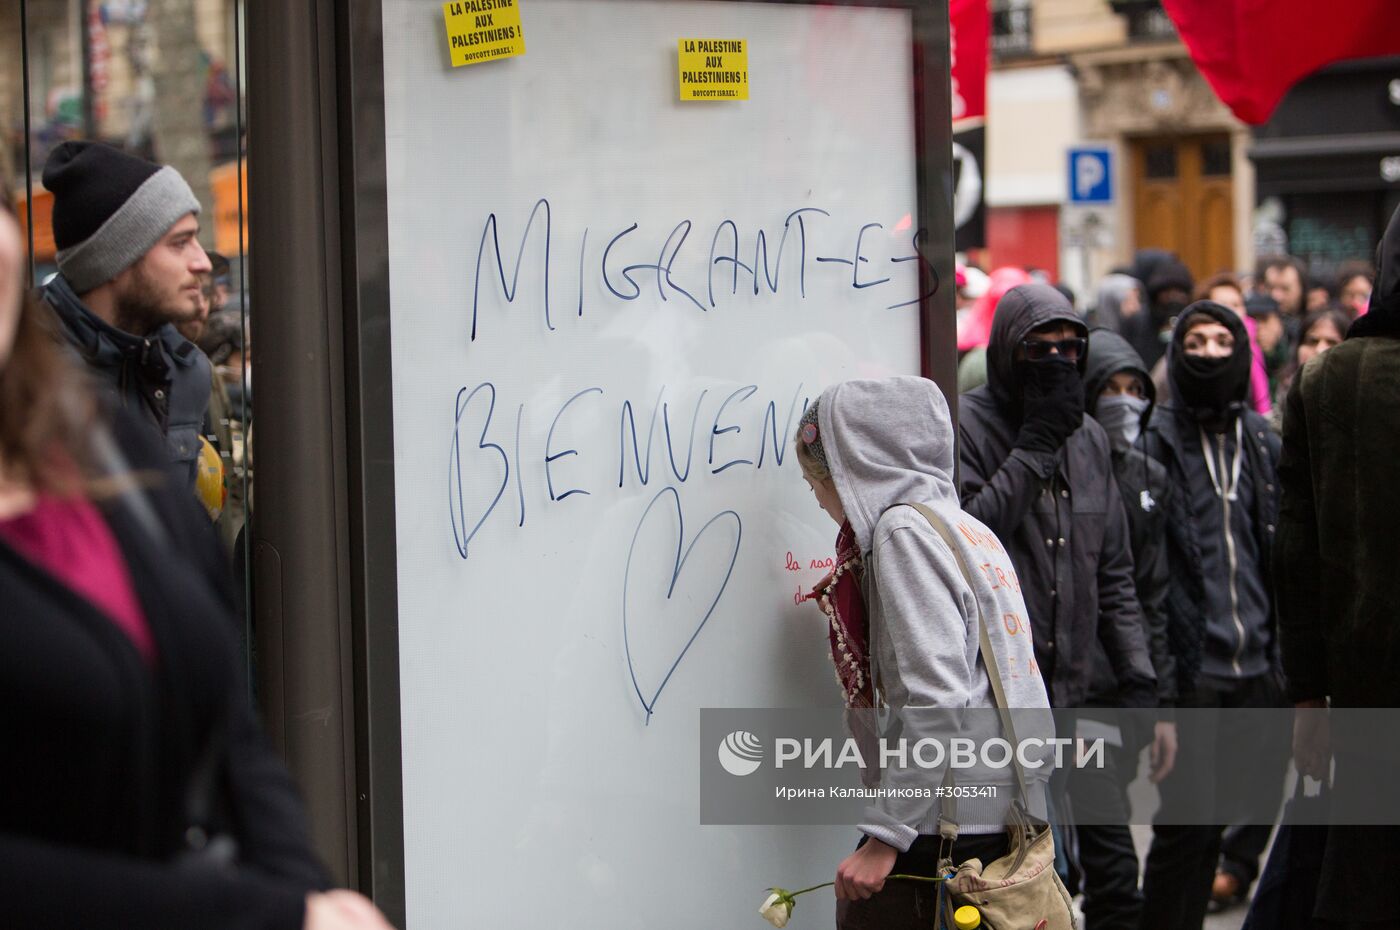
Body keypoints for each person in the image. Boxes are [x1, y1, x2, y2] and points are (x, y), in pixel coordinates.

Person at [0, 185, 392, 929]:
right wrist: (268, 913)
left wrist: (309, 890)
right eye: (176, 241)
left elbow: (227, 722)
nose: (202, 263)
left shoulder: (99, 436)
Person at [791, 377, 1056, 929]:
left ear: (850, 466)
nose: (817, 496)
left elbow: (935, 697)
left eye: (817, 477)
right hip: (1001, 816)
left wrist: (886, 838)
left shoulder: (901, 532)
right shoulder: (968, 529)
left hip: (942, 834)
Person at [1139, 301, 1290, 930]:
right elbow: (1147, 571)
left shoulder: (1261, 438)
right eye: (1194, 341)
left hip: (1256, 665)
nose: (1208, 353)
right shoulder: (1156, 439)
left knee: (1229, 815)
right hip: (1193, 668)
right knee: (1185, 828)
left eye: (1222, 341)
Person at [1274, 203, 1400, 929]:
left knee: (1367, 873)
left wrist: (1308, 695)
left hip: (1366, 685)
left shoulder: (1328, 382)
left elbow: (1295, 549)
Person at [957, 284, 1156, 712]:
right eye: (1037, 349)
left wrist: (1136, 673)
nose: (1055, 360)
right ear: (1009, 352)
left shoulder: (1088, 437)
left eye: (1068, 349)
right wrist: (1034, 450)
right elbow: (967, 539)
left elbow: (1113, 570)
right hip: (992, 687)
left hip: (1069, 688)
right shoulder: (965, 426)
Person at [1072, 329, 1178, 930]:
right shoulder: (1063, 467)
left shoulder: (1148, 477)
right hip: (1072, 697)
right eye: (1108, 388)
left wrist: (1155, 701)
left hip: (1122, 693)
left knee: (1107, 867)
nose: (1122, 401)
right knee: (1103, 868)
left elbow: (1150, 596)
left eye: (1134, 389)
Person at [39, 140, 214, 492]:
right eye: (179, 243)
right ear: (114, 260)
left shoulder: (187, 370)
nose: (203, 262)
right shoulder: (27, 372)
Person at [1196, 273, 1270, 416]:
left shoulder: (1253, 348)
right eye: (1223, 305)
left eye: (1236, 304)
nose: (1231, 311)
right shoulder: (1193, 351)